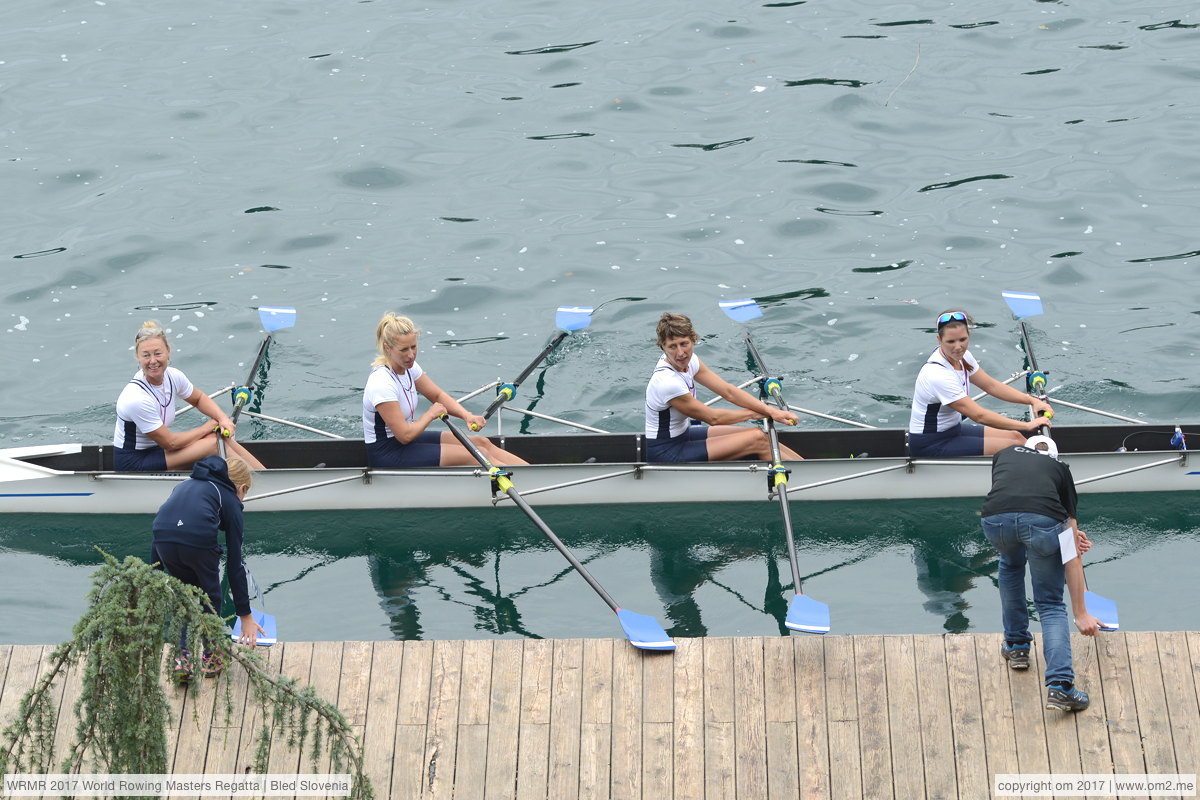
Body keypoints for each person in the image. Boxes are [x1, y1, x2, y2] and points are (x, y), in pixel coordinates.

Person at [980, 434, 1101, 712]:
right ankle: (1061, 687)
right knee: (1049, 603)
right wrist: (1081, 612)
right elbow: (1070, 547)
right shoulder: (1060, 469)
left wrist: (1064, 529)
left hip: (995, 519)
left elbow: (1017, 502)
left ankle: (1017, 646)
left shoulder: (1005, 454)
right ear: (1054, 460)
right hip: (1042, 523)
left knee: (1010, 567)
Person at [151, 455, 264, 683]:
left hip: (163, 540)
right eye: (244, 495)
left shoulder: (184, 486)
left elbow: (162, 526)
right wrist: (245, 615)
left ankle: (181, 659)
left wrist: (153, 570)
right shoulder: (230, 499)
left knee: (184, 597)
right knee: (211, 598)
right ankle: (211, 657)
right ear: (241, 488)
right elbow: (235, 563)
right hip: (197, 540)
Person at [364, 313, 529, 468]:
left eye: (413, 347)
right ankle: (530, 484)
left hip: (407, 441)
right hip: (387, 453)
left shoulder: (409, 368)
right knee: (476, 454)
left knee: (481, 443)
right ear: (387, 348)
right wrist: (430, 414)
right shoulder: (382, 383)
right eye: (404, 350)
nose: (411, 355)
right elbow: (404, 435)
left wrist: (467, 416)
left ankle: (533, 472)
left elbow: (437, 395)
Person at [644, 312, 801, 463]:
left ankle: (806, 466)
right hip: (666, 451)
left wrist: (772, 412)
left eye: (684, 344)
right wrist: (755, 413)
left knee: (761, 434)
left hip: (684, 435)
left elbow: (728, 392)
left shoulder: (691, 361)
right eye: (672, 347)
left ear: (693, 340)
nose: (680, 353)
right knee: (757, 439)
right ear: (663, 347)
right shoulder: (667, 383)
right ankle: (805, 478)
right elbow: (713, 418)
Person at [114, 320, 265, 471]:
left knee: (220, 438)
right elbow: (170, 443)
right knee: (213, 444)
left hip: (157, 451)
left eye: (158, 353)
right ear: (138, 358)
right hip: (134, 462)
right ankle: (261, 485)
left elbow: (198, 399)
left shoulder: (173, 376)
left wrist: (222, 419)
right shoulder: (136, 398)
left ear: (168, 352)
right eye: (146, 355)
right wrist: (207, 427)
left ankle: (264, 475)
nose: (153, 361)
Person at [908, 309, 1052, 458]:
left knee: (1016, 437)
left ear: (969, 336)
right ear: (939, 340)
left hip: (953, 430)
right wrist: (1027, 425)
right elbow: (979, 415)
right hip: (930, 443)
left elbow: (991, 386)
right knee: (1014, 446)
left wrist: (1032, 401)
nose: (958, 347)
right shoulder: (937, 375)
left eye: (962, 340)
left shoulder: (963, 358)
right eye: (950, 341)